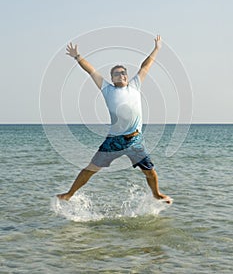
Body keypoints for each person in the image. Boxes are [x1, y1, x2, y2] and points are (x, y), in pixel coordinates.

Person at [57, 35, 172, 204]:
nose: (121, 75)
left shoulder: (135, 85)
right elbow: (91, 71)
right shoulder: (107, 89)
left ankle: (156, 194)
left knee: (150, 171)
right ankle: (69, 194)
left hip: (135, 139)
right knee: (91, 169)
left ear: (127, 75)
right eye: (117, 74)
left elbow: (146, 65)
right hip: (114, 141)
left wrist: (157, 48)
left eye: (123, 73)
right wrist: (77, 56)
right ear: (112, 78)